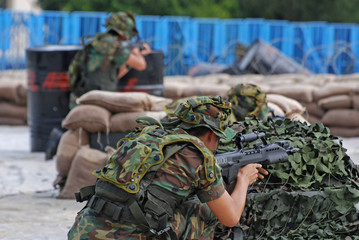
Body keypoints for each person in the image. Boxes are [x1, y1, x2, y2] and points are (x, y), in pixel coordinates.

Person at [67, 96, 268, 240]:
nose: (217, 145)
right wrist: (243, 179)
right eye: (218, 138)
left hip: (83, 230)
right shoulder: (199, 156)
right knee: (202, 210)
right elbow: (231, 217)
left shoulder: (146, 137)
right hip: (128, 235)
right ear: (210, 134)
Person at [68, 11, 151, 108]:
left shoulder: (100, 42)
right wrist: (137, 52)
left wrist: (128, 63)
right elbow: (141, 65)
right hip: (93, 101)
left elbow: (115, 75)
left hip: (84, 98)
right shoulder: (111, 44)